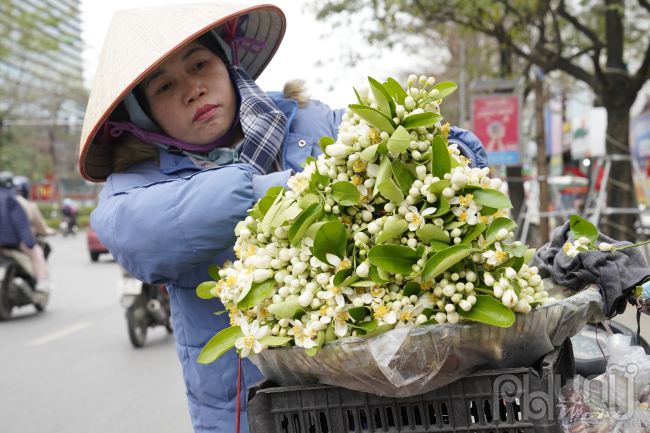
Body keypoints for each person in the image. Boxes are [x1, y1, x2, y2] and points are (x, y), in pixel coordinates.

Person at [81, 4, 488, 432]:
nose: (193, 89)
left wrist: (441, 157)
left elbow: (447, 150)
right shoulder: (140, 183)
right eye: (165, 87)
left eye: (200, 64)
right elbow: (133, 233)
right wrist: (277, 190)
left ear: (227, 63)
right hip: (249, 414)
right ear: (145, 116)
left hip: (362, 400)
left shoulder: (312, 123)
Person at [13, 176, 55, 289]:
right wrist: (49, 232)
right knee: (37, 253)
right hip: (20, 242)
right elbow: (40, 226)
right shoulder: (27, 205)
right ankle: (41, 282)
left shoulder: (5, 201)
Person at [0, 172, 37, 279]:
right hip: (12, 244)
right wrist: (30, 243)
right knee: (36, 255)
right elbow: (22, 224)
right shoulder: (13, 200)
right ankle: (41, 283)